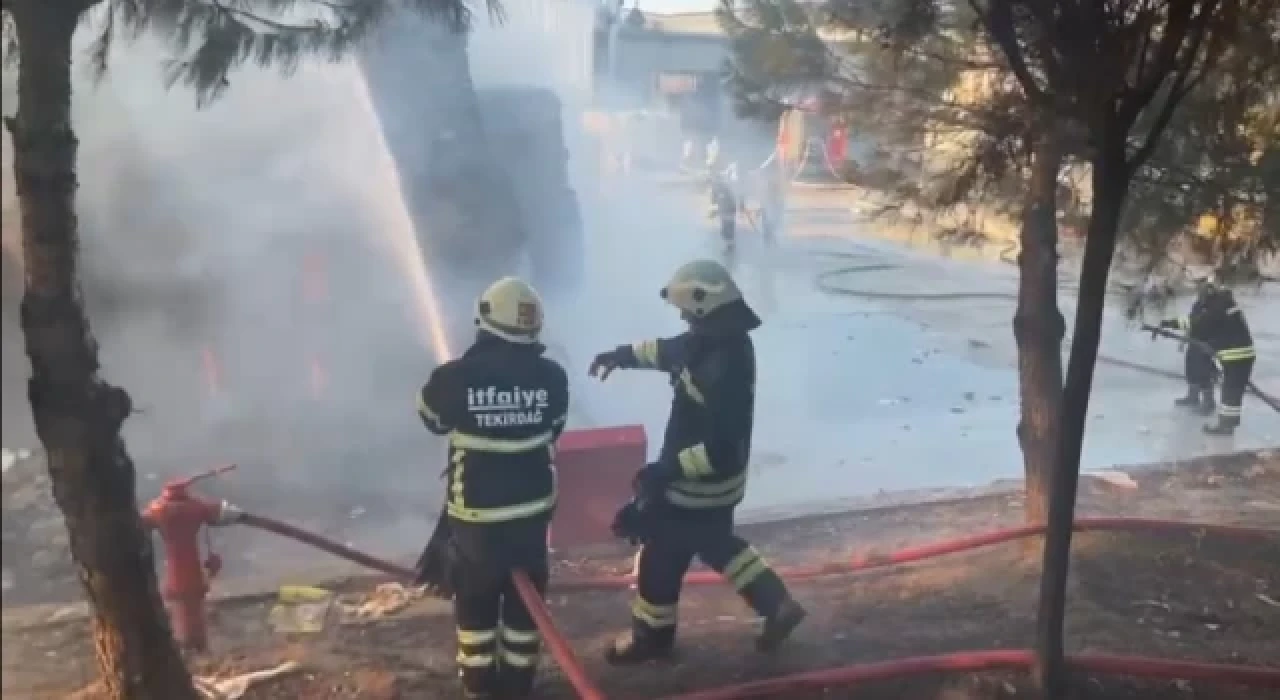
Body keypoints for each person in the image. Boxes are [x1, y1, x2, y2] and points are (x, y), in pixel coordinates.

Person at [588, 259, 806, 664]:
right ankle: (777, 604)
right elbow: (669, 350)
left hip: (698, 484)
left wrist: (664, 473)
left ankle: (651, 639)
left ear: (704, 306)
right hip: (721, 487)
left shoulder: (720, 366)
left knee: (659, 559)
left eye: (687, 310)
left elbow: (722, 445)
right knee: (719, 545)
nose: (684, 317)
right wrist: (621, 355)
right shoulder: (719, 342)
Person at [415, 277, 570, 699]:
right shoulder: (553, 377)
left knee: (476, 602)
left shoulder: (455, 378)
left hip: (477, 519)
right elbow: (554, 428)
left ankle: (482, 686)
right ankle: (519, 684)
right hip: (532, 515)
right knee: (526, 604)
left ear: (485, 320)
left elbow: (431, 421)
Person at [1160, 279, 1256, 435]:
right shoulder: (1225, 304)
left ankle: (1226, 427)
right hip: (1241, 353)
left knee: (1231, 391)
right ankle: (1227, 424)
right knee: (1233, 390)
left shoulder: (1216, 308)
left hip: (1235, 355)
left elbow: (1199, 325)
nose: (1200, 299)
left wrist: (1170, 323)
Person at [1159, 280, 1218, 416]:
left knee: (1204, 372)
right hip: (1194, 342)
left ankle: (1209, 402)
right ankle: (1193, 397)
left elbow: (1205, 324)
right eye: (1199, 293)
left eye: (1202, 293)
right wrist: (1184, 339)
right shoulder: (1198, 305)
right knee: (1191, 369)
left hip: (1206, 344)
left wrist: (1214, 346)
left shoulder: (1214, 308)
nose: (1200, 295)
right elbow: (1190, 322)